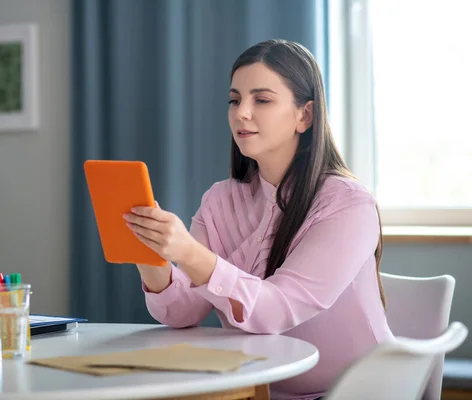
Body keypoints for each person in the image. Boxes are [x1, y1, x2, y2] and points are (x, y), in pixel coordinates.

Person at [123, 39, 394, 400]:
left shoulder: (349, 205)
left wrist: (189, 253)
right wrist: (149, 253)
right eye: (234, 100)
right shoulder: (221, 199)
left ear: (305, 116)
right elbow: (182, 311)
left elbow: (277, 310)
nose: (241, 113)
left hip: (355, 392)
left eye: (261, 100)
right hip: (257, 390)